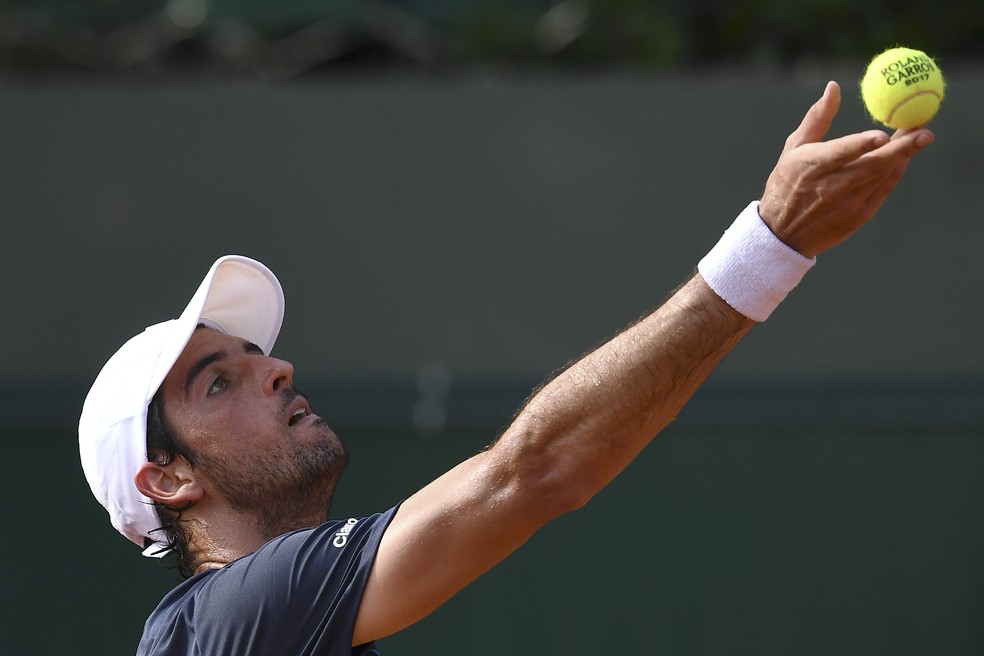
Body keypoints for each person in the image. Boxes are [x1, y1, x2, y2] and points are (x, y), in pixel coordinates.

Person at [79, 81, 934, 655]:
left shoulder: (250, 628)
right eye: (217, 382)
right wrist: (770, 245)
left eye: (254, 356)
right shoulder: (238, 614)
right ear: (169, 479)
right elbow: (536, 472)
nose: (276, 370)